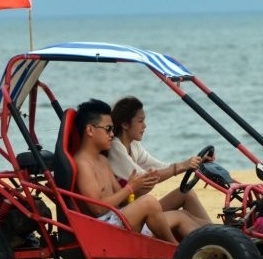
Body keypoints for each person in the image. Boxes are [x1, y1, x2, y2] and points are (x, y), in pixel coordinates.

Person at [72, 98, 202, 243]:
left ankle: (218, 237)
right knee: (148, 202)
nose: (112, 134)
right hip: (104, 227)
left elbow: (121, 200)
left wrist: (134, 189)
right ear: (90, 130)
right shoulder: (83, 163)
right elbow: (98, 209)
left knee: (181, 215)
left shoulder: (102, 160)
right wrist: (130, 188)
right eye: (108, 129)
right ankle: (176, 249)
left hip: (117, 216)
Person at [109, 96, 213, 225]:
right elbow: (146, 178)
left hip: (138, 210)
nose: (145, 126)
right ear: (125, 124)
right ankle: (216, 235)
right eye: (140, 121)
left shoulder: (133, 145)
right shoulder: (116, 148)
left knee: (187, 194)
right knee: (182, 215)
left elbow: (160, 167)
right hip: (128, 215)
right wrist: (180, 167)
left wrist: (195, 162)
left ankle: (216, 232)